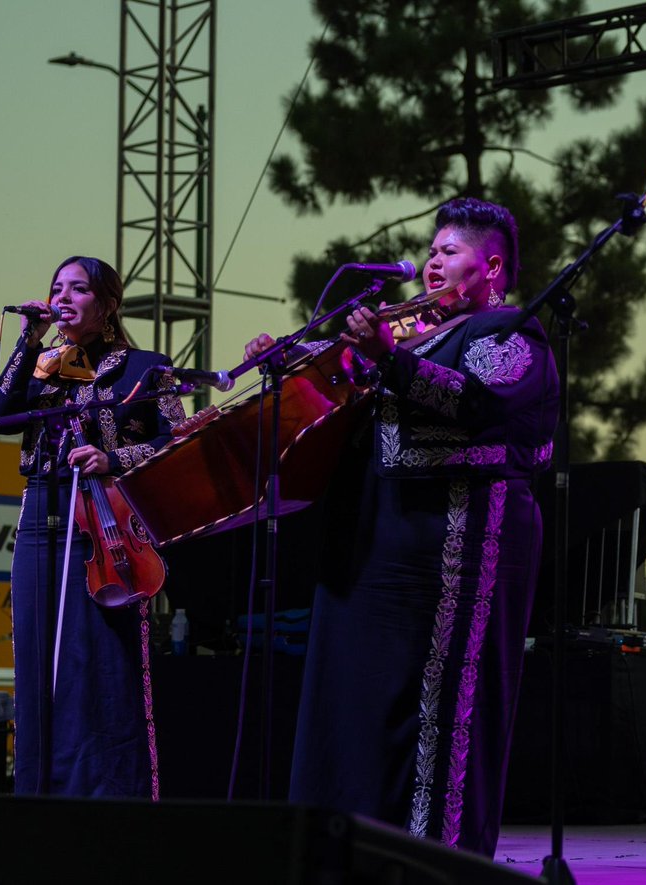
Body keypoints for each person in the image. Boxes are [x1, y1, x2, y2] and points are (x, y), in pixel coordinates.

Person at [244, 197, 558, 857]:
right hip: (379, 545)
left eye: (451, 251)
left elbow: (474, 404)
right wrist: (292, 359)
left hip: (457, 543)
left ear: (492, 266)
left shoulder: (509, 330)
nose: (433, 261)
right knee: (362, 706)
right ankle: (349, 852)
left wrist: (388, 358)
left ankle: (433, 860)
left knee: (439, 714)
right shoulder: (417, 333)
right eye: (433, 249)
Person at [0, 256, 187, 797]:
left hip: (105, 523)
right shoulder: (44, 363)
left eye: (79, 289)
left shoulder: (147, 366)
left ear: (108, 303)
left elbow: (179, 439)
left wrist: (113, 458)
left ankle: (109, 797)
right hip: (39, 520)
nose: (64, 297)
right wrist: (30, 339)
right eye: (57, 288)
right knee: (36, 658)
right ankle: (35, 795)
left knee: (100, 662)